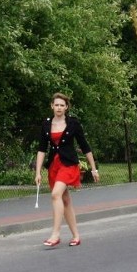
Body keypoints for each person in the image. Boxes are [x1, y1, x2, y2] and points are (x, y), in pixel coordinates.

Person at [35, 93, 98, 247]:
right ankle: (76, 236)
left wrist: (93, 168)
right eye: (56, 105)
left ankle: (55, 234)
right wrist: (37, 172)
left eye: (62, 105)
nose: (59, 108)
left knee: (55, 194)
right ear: (52, 106)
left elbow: (85, 146)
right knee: (65, 200)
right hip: (53, 167)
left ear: (66, 107)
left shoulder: (73, 124)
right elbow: (41, 149)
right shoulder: (46, 124)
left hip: (68, 165)